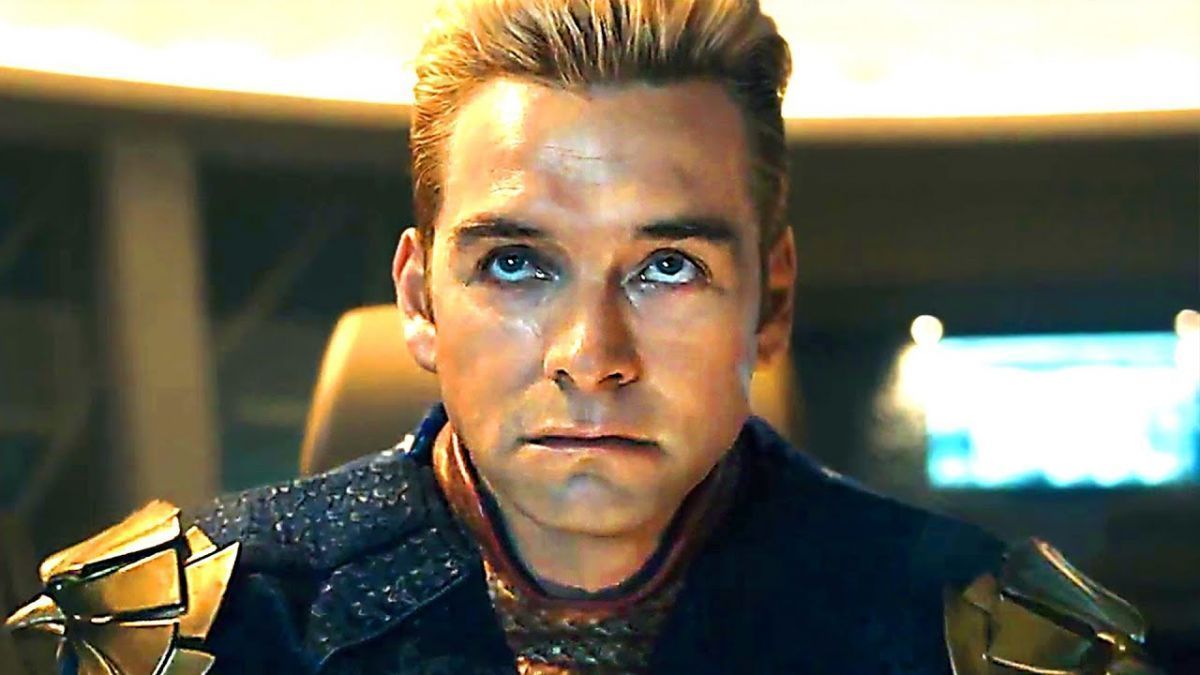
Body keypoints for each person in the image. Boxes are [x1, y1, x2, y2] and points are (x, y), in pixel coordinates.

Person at [4, 1, 1158, 673]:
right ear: (420, 300)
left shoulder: (980, 639)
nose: (592, 354)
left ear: (769, 304)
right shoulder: (170, 635)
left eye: (668, 267)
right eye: (517, 263)